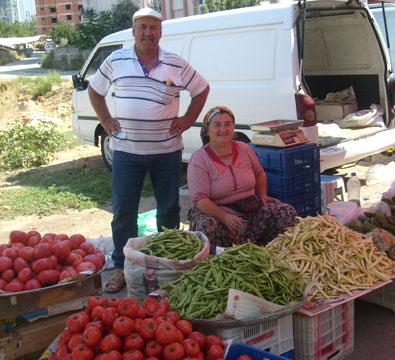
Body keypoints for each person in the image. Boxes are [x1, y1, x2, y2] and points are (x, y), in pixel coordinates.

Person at [88, 7, 210, 292]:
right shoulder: (116, 60)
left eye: (153, 28)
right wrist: (105, 119)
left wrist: (188, 119)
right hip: (127, 152)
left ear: (160, 32)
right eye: (142, 27)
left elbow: (201, 89)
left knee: (167, 209)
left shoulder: (176, 64)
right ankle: (121, 266)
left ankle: (167, 264)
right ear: (133, 31)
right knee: (123, 212)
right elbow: (95, 90)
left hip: (166, 151)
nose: (148, 33)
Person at [187, 106, 297, 250]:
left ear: (233, 127)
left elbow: (259, 173)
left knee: (285, 212)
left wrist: (262, 195)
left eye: (228, 124)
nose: (223, 129)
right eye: (217, 125)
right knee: (208, 225)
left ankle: (270, 253)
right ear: (207, 130)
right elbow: (200, 199)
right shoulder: (199, 159)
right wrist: (224, 217)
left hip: (250, 207)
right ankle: (223, 260)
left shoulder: (244, 148)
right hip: (219, 212)